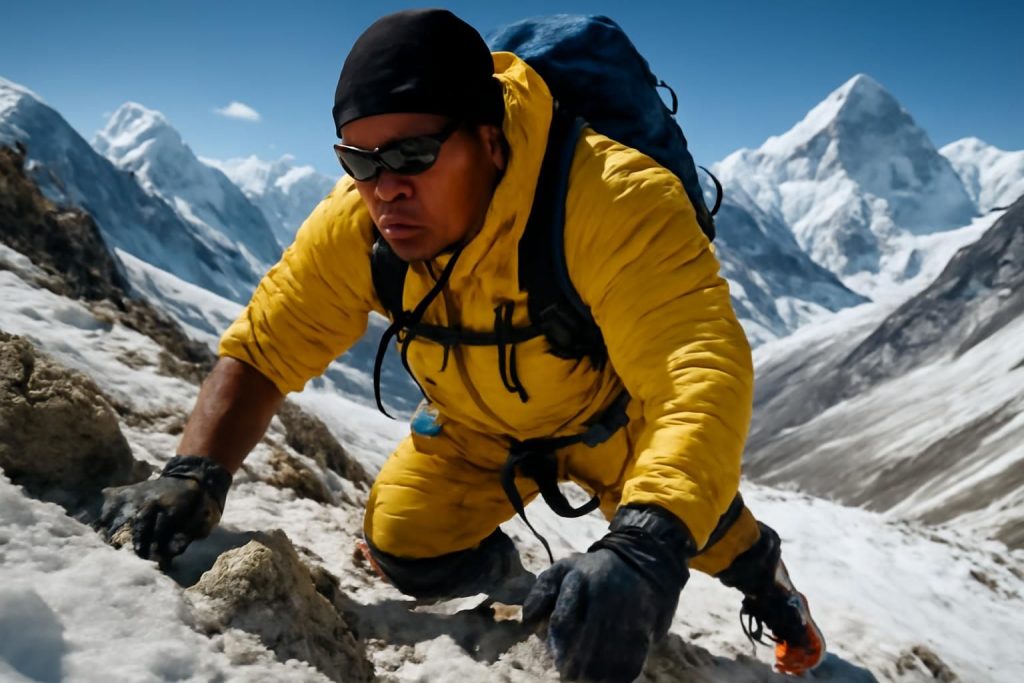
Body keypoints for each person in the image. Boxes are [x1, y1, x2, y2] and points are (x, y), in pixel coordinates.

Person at [96, 8, 826, 681]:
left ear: (489, 138)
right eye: (359, 159)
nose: (384, 189)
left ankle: (774, 588)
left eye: (411, 153)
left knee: (701, 527)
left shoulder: (613, 197)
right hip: (475, 427)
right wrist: (196, 470)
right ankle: (517, 581)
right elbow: (268, 342)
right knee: (401, 542)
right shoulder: (359, 222)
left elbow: (694, 373)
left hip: (616, 424)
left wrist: (643, 546)